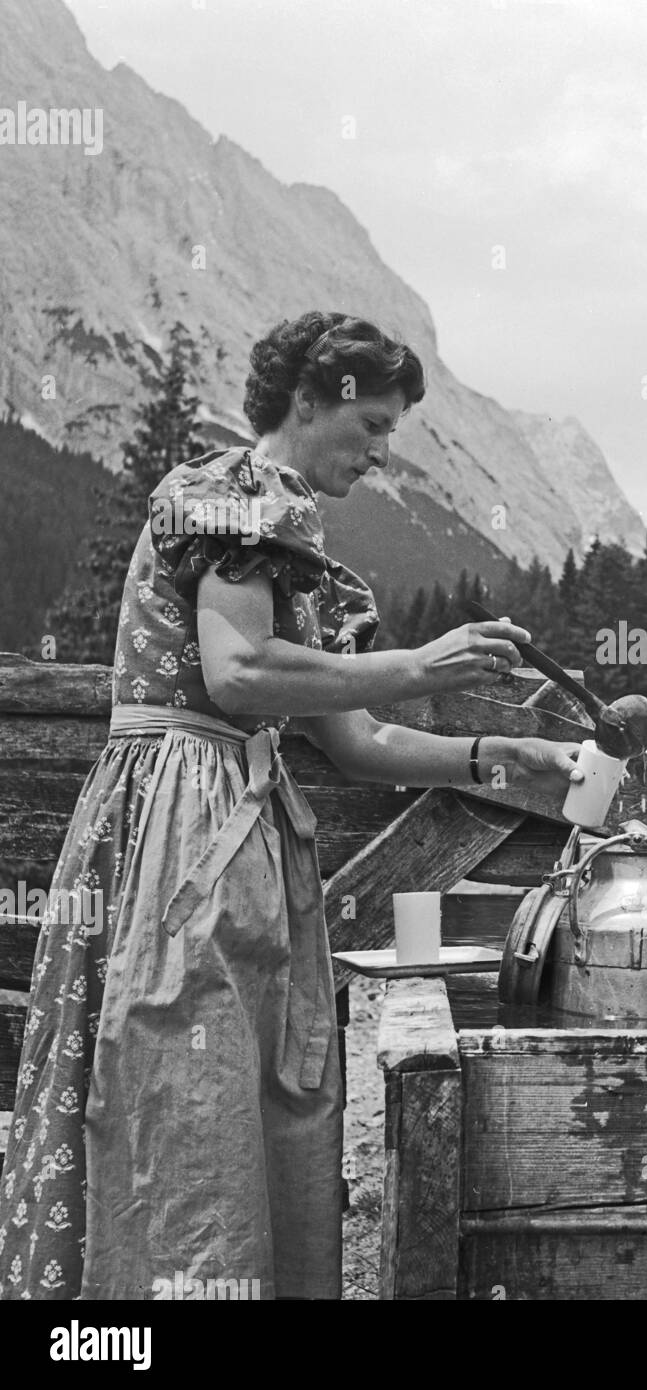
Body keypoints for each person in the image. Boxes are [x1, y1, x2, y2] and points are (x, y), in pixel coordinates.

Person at [0, 310, 582, 1299]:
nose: (382, 450)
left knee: (238, 1099)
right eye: (373, 423)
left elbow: (362, 742)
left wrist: (496, 753)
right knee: (181, 1084)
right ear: (310, 400)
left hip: (244, 827)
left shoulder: (299, 555)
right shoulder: (234, 493)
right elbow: (235, 675)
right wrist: (419, 660)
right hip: (184, 819)